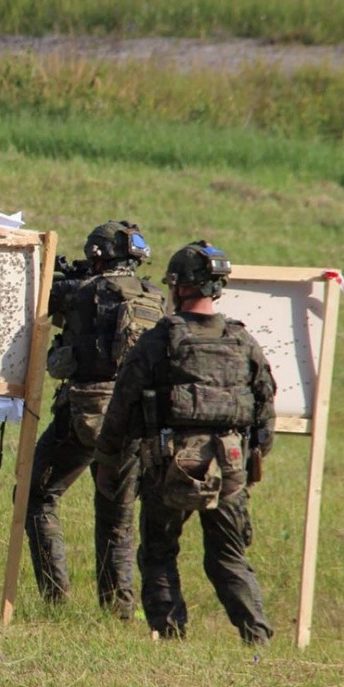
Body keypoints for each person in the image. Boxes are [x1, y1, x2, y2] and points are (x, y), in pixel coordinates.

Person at [94, 240, 276, 643]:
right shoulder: (243, 341)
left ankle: (170, 636)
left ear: (179, 287)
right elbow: (265, 412)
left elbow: (122, 407)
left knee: (159, 553)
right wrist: (251, 459)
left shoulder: (160, 340)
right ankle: (257, 638)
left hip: (171, 465)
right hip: (229, 465)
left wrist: (109, 461)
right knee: (228, 557)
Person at [25, 220, 167, 615]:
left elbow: (44, 299)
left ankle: (55, 599)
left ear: (96, 254)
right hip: (136, 418)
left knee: (36, 496)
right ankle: (118, 610)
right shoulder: (154, 296)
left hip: (87, 412)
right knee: (117, 519)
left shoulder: (85, 292)